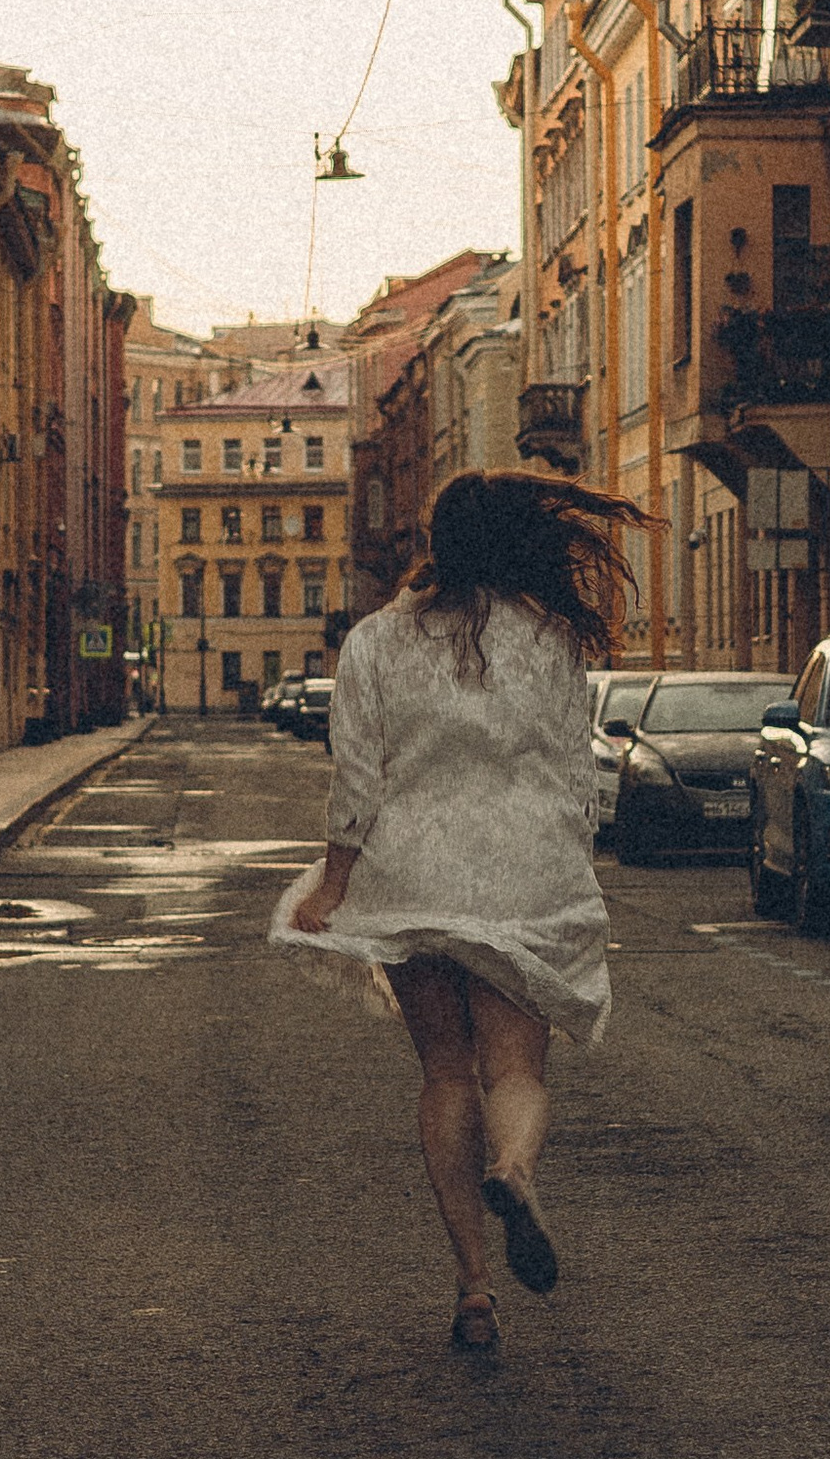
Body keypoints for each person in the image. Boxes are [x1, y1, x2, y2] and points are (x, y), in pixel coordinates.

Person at [271, 472, 637, 1356]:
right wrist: (569, 865)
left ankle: (475, 1287)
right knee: (517, 1071)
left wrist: (332, 882)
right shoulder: (549, 638)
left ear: (436, 540)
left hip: (412, 874)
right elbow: (571, 770)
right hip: (523, 876)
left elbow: (358, 778)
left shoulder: (375, 643)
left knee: (444, 1073)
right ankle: (514, 1169)